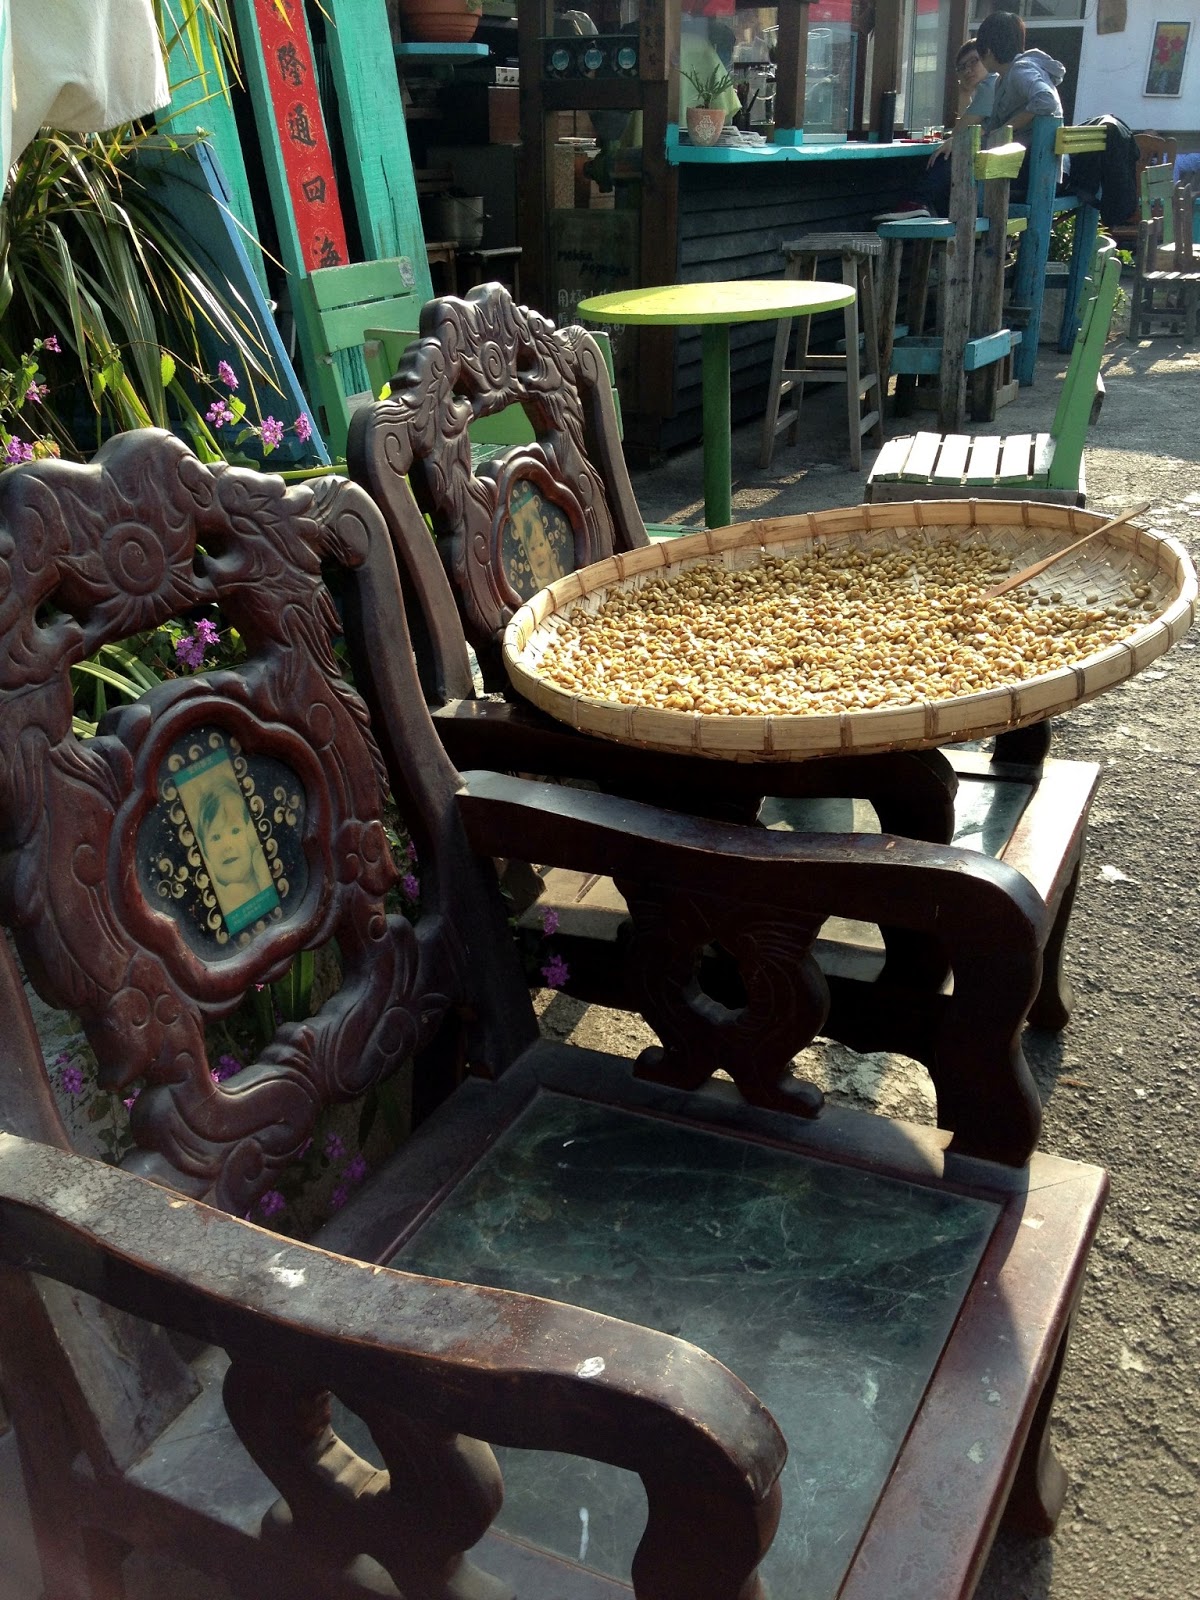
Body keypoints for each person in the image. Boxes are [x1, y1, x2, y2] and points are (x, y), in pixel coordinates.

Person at [975, 10, 1066, 196]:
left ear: (988, 51)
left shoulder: (1020, 70)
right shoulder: (1003, 78)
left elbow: (1046, 100)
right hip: (1038, 166)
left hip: (1036, 173)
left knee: (957, 175)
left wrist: (1007, 128)